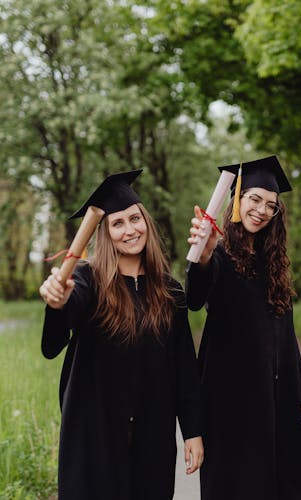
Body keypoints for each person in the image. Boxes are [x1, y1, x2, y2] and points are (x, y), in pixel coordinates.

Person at [39, 170, 203, 499]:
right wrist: (57, 304)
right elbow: (53, 344)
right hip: (95, 434)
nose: (129, 230)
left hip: (152, 433)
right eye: (118, 223)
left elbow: (183, 366)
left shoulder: (169, 291)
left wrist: (193, 432)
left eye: (135, 219)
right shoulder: (88, 281)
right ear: (106, 233)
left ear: (147, 222)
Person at [186, 156, 301, 500]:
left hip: (275, 398)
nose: (261, 210)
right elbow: (195, 298)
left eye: (270, 206)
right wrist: (202, 255)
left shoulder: (273, 264)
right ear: (238, 200)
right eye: (254, 199)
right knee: (238, 484)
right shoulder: (218, 255)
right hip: (230, 401)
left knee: (292, 482)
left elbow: (286, 336)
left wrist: (298, 394)